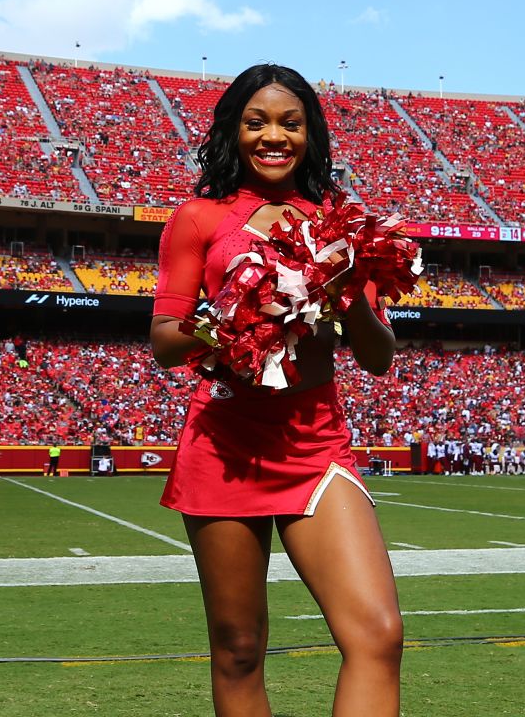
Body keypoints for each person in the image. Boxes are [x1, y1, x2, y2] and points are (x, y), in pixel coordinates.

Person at [149, 64, 403, 716]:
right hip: (225, 447)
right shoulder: (198, 218)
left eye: (290, 122)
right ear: (233, 131)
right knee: (238, 648)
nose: (273, 135)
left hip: (315, 447)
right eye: (256, 120)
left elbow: (376, 357)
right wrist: (233, 313)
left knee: (377, 635)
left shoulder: (341, 225)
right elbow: (165, 343)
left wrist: (350, 294)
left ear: (309, 134)